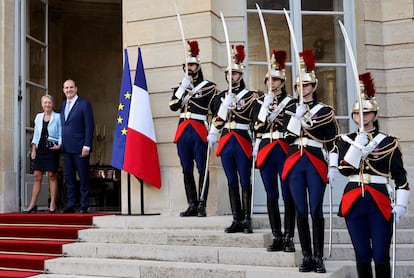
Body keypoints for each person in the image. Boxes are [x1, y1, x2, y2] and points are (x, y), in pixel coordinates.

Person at [337, 72, 410, 278]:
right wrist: (356, 147)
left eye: (367, 113)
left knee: (380, 255)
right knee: (362, 254)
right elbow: (345, 170)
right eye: (358, 114)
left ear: (375, 115)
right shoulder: (345, 140)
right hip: (353, 199)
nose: (363, 117)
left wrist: (401, 204)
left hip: (379, 199)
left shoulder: (388, 142)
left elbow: (400, 176)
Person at [281, 49, 339, 273]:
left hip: (315, 160)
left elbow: (332, 141)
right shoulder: (289, 109)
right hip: (295, 159)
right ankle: (306, 256)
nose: (302, 89)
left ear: (313, 87)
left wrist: (333, 164)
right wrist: (296, 117)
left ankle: (318, 256)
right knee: (300, 210)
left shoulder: (325, 110)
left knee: (316, 210)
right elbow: (287, 138)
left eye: (305, 86)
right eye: (298, 86)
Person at [208, 45, 259, 233]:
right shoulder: (219, 97)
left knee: (245, 179)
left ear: (241, 75)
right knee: (231, 181)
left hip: (243, 139)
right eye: (229, 74)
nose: (232, 77)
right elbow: (217, 119)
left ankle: (247, 219)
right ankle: (236, 218)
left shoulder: (252, 96)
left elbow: (254, 121)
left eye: (235, 74)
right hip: (226, 140)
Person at [252, 50, 295, 252]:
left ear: (282, 81)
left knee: (288, 196)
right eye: (269, 79)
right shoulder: (260, 103)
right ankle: (277, 235)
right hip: (267, 150)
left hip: (284, 149)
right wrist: (264, 108)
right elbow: (257, 128)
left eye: (276, 79)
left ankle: (289, 236)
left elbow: (292, 129)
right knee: (271, 195)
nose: (272, 83)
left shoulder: (292, 103)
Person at [169, 40, 218, 217]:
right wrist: (182, 88)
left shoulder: (209, 87)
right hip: (183, 130)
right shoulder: (179, 87)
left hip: (199, 129)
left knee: (202, 168)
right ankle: (191, 203)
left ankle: (202, 204)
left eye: (193, 65)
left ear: (198, 67)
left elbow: (216, 111)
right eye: (188, 64)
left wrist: (214, 131)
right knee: (186, 168)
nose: (190, 67)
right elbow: (173, 106)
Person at [60, 79, 95, 213]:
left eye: (71, 87)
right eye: (66, 88)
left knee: (83, 177)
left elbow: (89, 126)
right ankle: (71, 204)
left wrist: (87, 145)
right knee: (69, 178)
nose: (69, 90)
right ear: (63, 90)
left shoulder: (84, 104)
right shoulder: (63, 105)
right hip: (67, 148)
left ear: (76, 88)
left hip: (81, 147)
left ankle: (84, 204)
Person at [24, 95, 62, 213]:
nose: (47, 105)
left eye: (49, 103)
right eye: (45, 103)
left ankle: (52, 204)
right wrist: (33, 149)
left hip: (52, 148)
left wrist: (59, 145)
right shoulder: (38, 117)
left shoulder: (58, 117)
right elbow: (36, 134)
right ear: (42, 104)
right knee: (37, 176)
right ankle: (32, 204)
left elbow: (61, 133)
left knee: (52, 175)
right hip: (40, 148)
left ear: (53, 104)